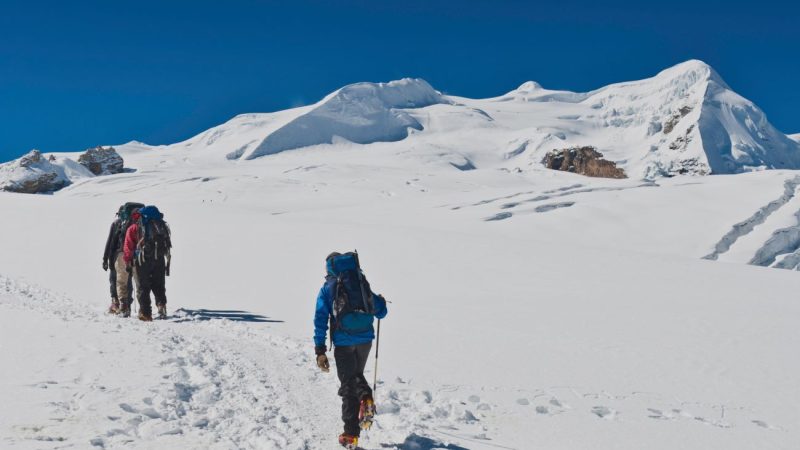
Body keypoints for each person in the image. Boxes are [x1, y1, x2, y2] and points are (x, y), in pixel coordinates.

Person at [313, 252, 388, 449]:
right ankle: (353, 431)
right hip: (365, 339)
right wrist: (380, 301)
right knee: (354, 378)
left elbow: (320, 319)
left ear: (330, 267)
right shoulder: (359, 281)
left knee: (349, 385)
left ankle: (359, 411)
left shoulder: (329, 287)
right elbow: (381, 311)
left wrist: (320, 350)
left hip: (344, 342)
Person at [123, 206, 172, 321]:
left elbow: (128, 247)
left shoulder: (133, 228)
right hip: (159, 259)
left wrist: (128, 262)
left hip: (141, 261)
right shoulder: (161, 225)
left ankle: (145, 313)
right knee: (159, 285)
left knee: (143, 287)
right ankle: (161, 306)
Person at [102, 205, 135, 316]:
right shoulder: (134, 224)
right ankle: (127, 305)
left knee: (115, 280)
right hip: (132, 255)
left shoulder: (117, 224)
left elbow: (110, 242)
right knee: (128, 280)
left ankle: (117, 304)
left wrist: (105, 258)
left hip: (117, 255)